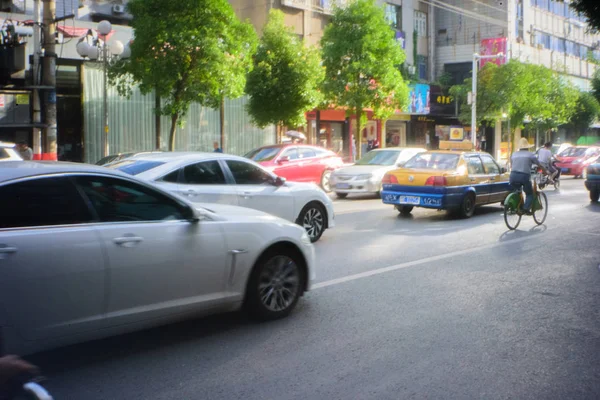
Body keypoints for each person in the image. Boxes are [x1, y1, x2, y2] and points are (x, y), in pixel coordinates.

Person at [510, 138, 544, 214]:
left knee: (517, 190)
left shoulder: (514, 154)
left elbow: (511, 165)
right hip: (524, 176)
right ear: (527, 147)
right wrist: (545, 171)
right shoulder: (530, 155)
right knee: (529, 193)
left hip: (513, 176)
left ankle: (517, 206)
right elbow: (539, 164)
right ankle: (525, 209)